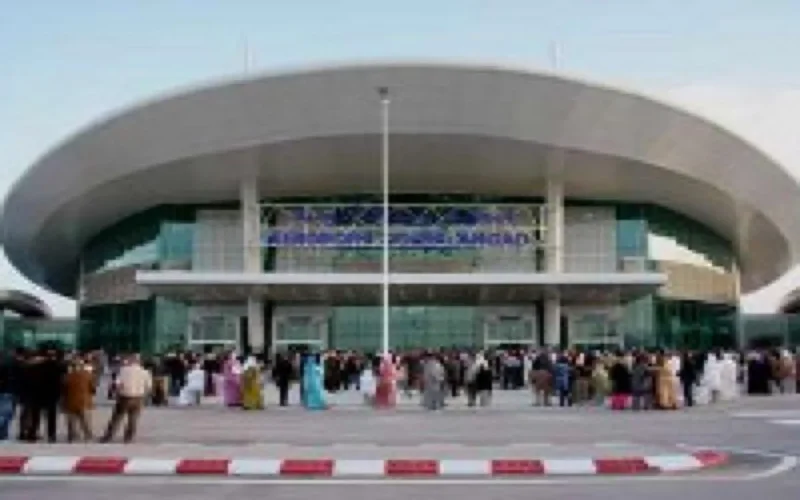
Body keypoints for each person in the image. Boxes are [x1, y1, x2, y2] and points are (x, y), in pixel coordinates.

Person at [100, 354, 152, 443]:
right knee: (133, 419)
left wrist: (116, 393)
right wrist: (144, 396)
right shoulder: (145, 372)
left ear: (131, 361)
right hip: (138, 398)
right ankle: (128, 438)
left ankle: (108, 436)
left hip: (125, 397)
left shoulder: (124, 370)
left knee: (117, 418)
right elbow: (149, 386)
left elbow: (117, 384)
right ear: (139, 362)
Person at [62, 358, 94, 442]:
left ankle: (72, 437)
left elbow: (63, 389)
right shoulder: (87, 375)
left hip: (70, 401)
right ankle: (88, 436)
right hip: (84, 401)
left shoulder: (67, 377)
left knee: (72, 421)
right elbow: (92, 388)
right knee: (85, 421)